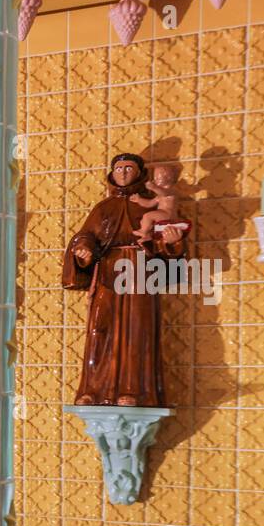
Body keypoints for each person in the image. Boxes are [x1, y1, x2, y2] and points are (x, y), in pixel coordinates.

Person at [63, 153, 188, 407]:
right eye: (118, 168)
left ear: (140, 172)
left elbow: (167, 239)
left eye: (128, 167)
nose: (122, 172)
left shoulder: (152, 203)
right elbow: (85, 236)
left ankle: (135, 390)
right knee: (100, 328)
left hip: (139, 272)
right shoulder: (103, 209)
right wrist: (83, 252)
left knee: (136, 329)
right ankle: (94, 389)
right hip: (107, 273)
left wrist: (172, 243)